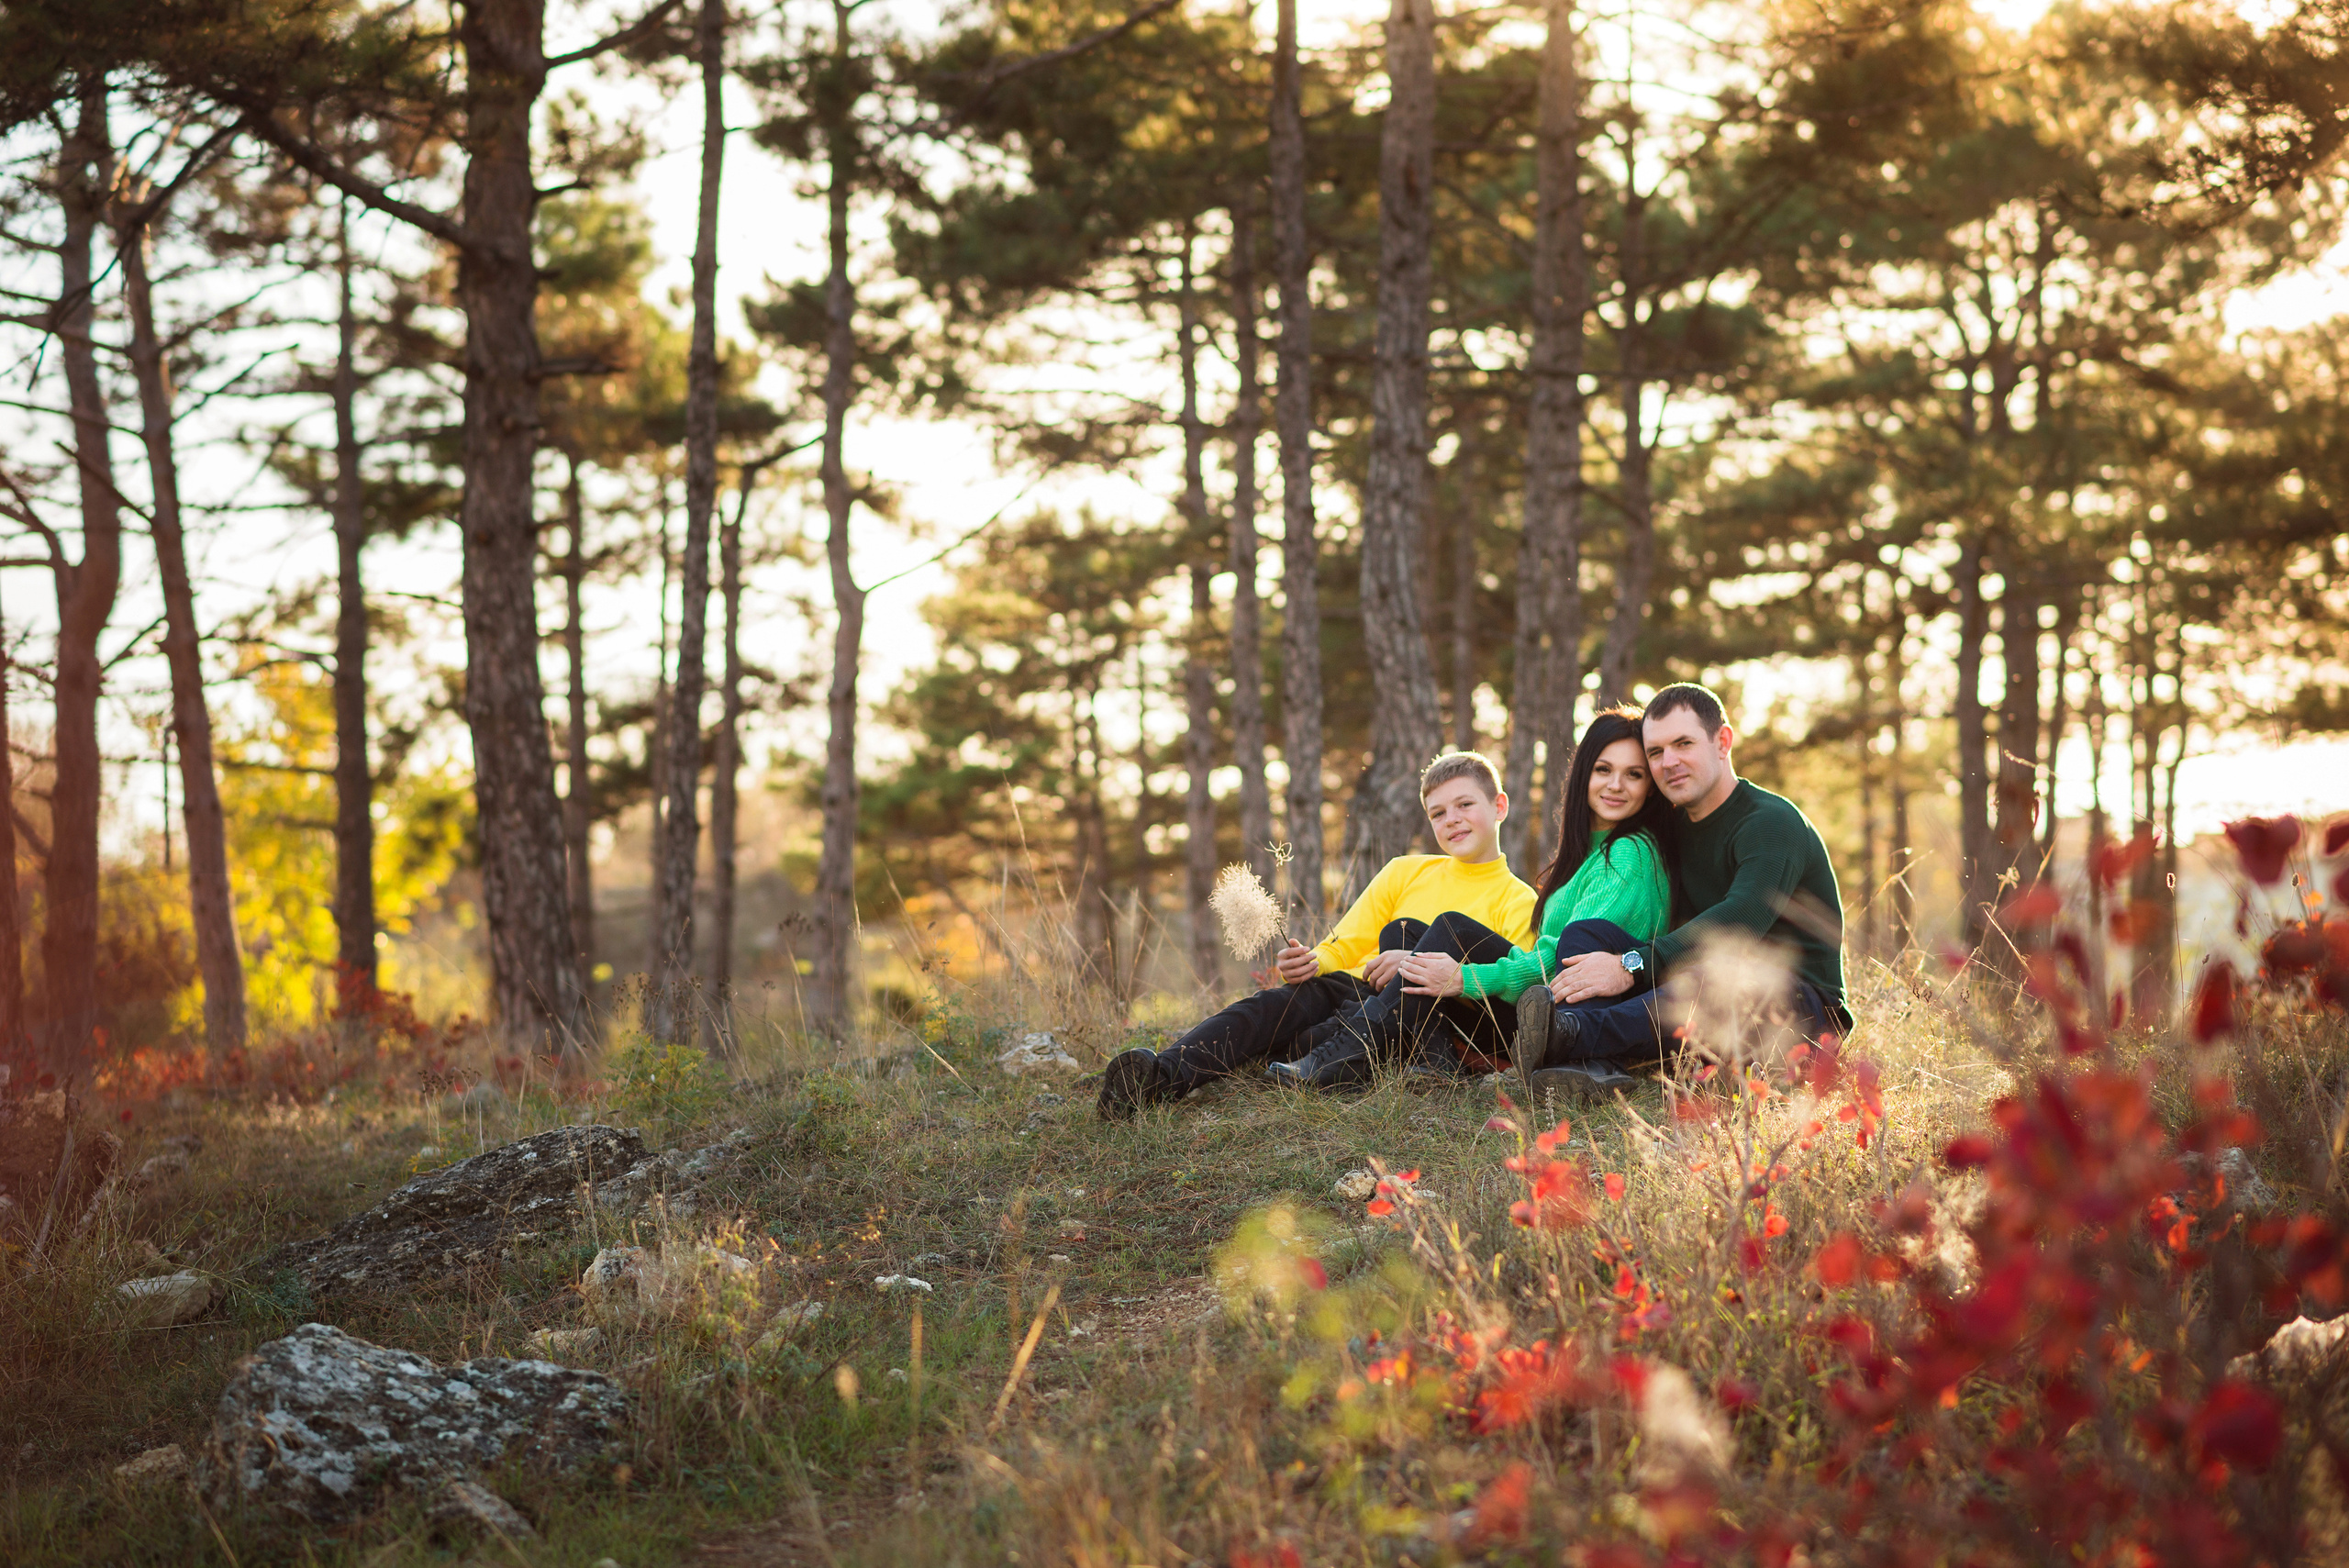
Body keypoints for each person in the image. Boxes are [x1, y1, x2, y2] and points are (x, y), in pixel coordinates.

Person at [1097, 751, 1536, 1118]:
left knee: (1406, 933)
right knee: (1274, 1005)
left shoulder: (1519, 900)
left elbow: (1507, 989)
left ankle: (1332, 1054)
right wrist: (1313, 962)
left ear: (1499, 806)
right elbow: (1346, 941)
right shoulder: (1406, 871)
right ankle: (1160, 1076)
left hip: (1434, 1019)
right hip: (1363, 994)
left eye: (1464, 805)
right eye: (1438, 813)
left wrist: (1413, 960)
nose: (1452, 820)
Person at [1513, 682, 1852, 1102]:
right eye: (1655, 752)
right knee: (1589, 935)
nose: (1668, 762)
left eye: (1683, 743)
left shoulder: (1770, 822)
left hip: (1799, 1009)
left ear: (1722, 741)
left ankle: (1573, 1035)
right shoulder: (1671, 829)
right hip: (1703, 992)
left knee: (1721, 971)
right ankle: (1592, 1068)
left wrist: (1630, 964)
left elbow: (1740, 920)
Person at [1387, 706, 1675, 1079]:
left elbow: (1564, 955)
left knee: (1453, 930)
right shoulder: (1586, 853)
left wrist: (1468, 979)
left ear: (1650, 786)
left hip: (1587, 1021)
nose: (1615, 785)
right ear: (1584, 773)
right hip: (1550, 1007)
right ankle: (1433, 1062)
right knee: (1405, 933)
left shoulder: (1630, 852)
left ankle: (1348, 1048)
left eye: (1633, 775)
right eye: (1603, 770)